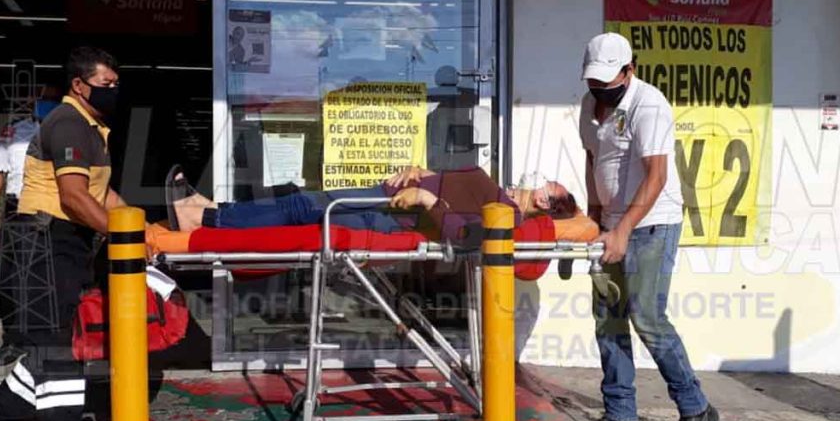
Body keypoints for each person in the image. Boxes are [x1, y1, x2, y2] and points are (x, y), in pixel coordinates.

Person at [0, 47, 126, 421]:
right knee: (59, 356)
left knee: (46, 351)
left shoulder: (94, 127)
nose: (114, 90)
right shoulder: (69, 122)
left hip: (64, 245)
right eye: (106, 84)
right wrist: (123, 236)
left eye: (116, 83)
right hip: (41, 244)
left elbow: (102, 194)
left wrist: (142, 228)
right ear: (80, 85)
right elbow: (75, 197)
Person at [567, 32, 718, 421]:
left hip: (652, 225)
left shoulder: (649, 104)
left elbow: (657, 175)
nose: (601, 93)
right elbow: (593, 158)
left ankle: (696, 408)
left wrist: (622, 229)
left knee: (646, 316)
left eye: (608, 85)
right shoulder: (589, 105)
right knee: (608, 318)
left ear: (629, 71)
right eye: (593, 85)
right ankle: (620, 417)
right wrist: (595, 218)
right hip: (612, 224)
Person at [166, 165, 578, 243]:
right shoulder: (502, 194)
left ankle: (207, 218)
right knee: (300, 204)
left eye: (546, 184)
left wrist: (427, 196)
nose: (537, 180)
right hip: (391, 197)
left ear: (545, 200)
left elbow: (462, 234)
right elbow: (458, 189)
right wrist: (421, 170)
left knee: (299, 209)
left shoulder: (509, 215)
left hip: (393, 216)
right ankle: (210, 209)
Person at [0, 88, 61, 366]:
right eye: (39, 98)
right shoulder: (14, 131)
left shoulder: (70, 131)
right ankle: (13, 339)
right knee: (5, 276)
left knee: (46, 279)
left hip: (52, 208)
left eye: (49, 97)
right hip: (16, 209)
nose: (41, 103)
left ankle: (45, 340)